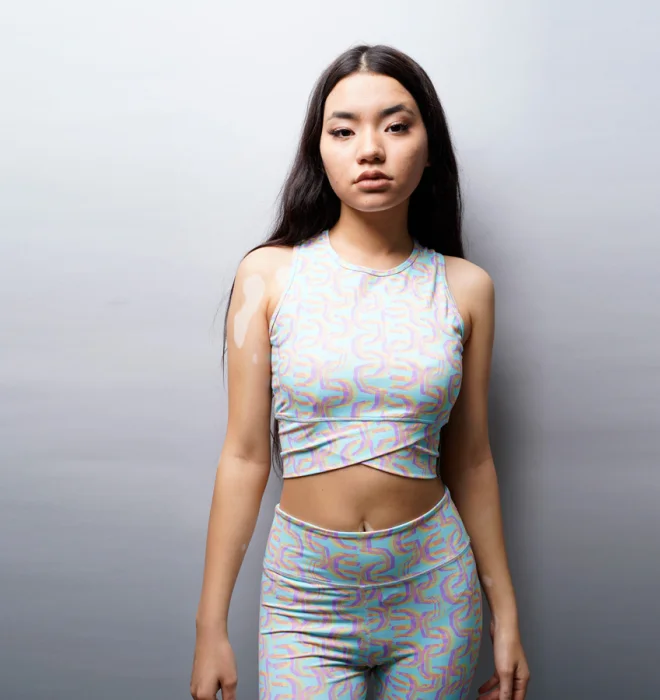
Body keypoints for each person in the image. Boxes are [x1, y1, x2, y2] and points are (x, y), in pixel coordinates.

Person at [190, 44, 530, 700]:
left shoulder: (466, 288)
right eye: (343, 131)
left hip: (434, 595)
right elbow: (243, 456)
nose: (369, 150)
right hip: (305, 602)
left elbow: (472, 461)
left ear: (429, 149)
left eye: (395, 126)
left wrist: (507, 614)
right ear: (318, 150)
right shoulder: (268, 276)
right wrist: (210, 627)